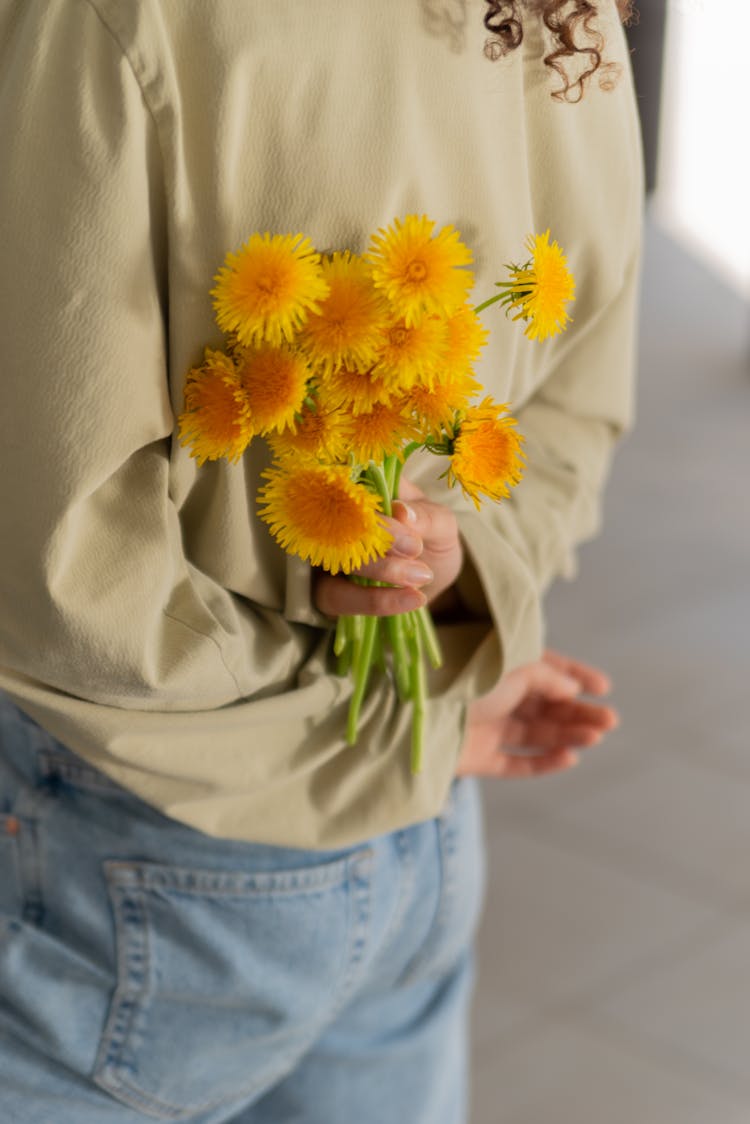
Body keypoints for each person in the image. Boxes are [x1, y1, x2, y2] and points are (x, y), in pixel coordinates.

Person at [0, 1, 641, 1121]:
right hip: (422, 840)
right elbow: (579, 396)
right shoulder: (561, 11)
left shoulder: (109, 18)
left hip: (144, 851)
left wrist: (400, 715)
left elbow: (55, 564)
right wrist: (435, 663)